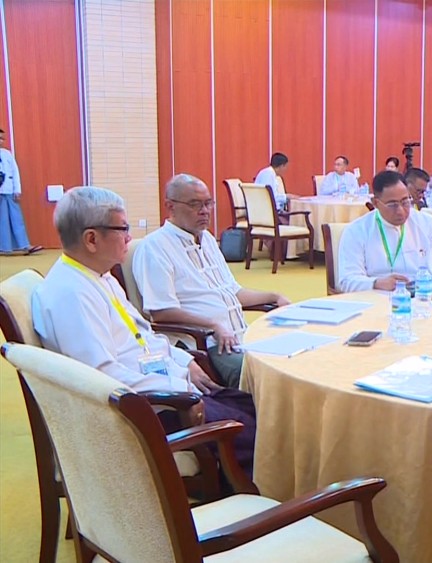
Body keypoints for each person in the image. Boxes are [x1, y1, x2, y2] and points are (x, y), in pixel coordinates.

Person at [31, 186, 256, 477]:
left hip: (163, 389)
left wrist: (184, 362)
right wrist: (179, 389)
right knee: (258, 435)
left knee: (256, 407)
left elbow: (143, 335)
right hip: (147, 411)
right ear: (91, 239)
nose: (129, 237)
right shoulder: (70, 294)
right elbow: (101, 378)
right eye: (123, 228)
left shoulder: (98, 276)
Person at [131, 174, 291, 388]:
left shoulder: (207, 238)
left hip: (241, 335)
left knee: (295, 361)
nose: (204, 211)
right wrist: (213, 325)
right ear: (170, 206)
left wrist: (274, 296)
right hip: (209, 343)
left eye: (208, 203)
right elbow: (161, 312)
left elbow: (233, 292)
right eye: (194, 204)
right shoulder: (155, 247)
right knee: (267, 378)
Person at [337, 170, 432, 293]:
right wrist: (377, 283)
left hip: (422, 294)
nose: (400, 211)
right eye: (392, 205)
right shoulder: (357, 231)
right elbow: (347, 281)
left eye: (405, 202)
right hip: (379, 297)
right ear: (376, 203)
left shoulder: (425, 222)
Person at [0, 128, 42, 255]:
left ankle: (25, 245)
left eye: (2, 138)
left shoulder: (7, 154)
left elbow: (15, 172)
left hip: (8, 191)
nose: (1, 141)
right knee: (2, 222)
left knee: (16, 219)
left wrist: (17, 190)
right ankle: (4, 247)